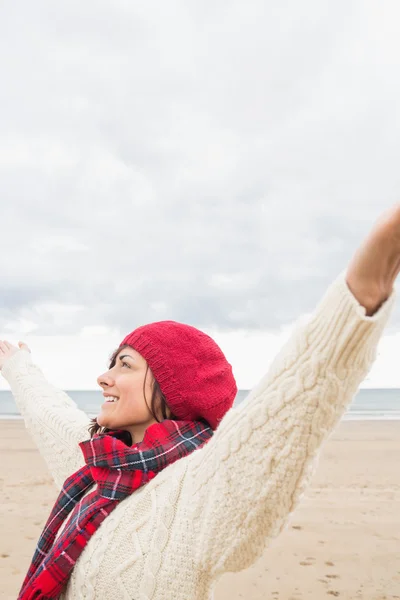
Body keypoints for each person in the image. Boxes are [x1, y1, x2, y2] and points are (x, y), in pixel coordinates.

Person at [1, 204, 399, 600]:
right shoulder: (99, 469)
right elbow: (51, 415)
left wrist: (357, 302)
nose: (103, 377)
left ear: (175, 390)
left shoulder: (196, 495)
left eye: (124, 364)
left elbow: (280, 419)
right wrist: (19, 367)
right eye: (110, 364)